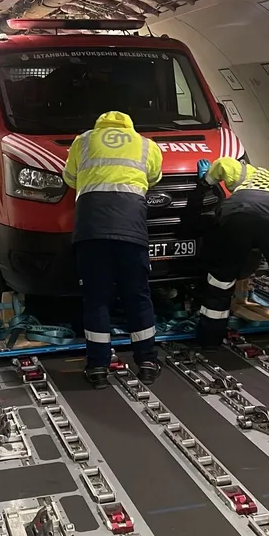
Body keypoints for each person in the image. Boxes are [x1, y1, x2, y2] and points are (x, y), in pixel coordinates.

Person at [63, 110, 163, 389]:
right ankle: (147, 362)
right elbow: (154, 178)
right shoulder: (146, 145)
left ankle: (97, 368)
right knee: (138, 295)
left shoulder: (83, 141)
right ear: (128, 125)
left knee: (96, 298)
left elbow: (69, 178)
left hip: (91, 229)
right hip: (131, 228)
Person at [197, 157, 269, 357]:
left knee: (220, 281)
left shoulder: (252, 175)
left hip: (233, 210)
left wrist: (206, 181)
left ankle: (210, 341)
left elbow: (224, 163)